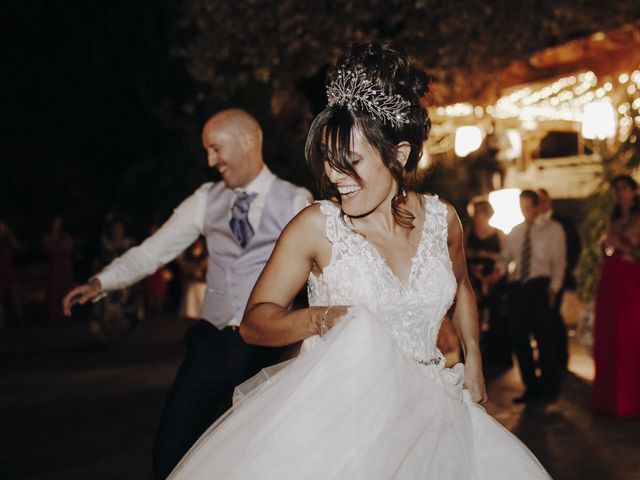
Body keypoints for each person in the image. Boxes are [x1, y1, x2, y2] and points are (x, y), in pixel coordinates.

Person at [168, 43, 550, 479]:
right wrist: (321, 318)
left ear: (400, 155)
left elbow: (462, 287)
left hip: (435, 415)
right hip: (341, 423)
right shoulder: (316, 226)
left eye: (349, 162)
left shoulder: (445, 220)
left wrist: (474, 358)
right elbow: (255, 322)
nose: (333, 177)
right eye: (329, 163)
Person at [62, 108, 312, 479]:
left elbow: (319, 269)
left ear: (246, 142)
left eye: (215, 148)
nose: (211, 161)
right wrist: (102, 282)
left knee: (256, 456)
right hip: (210, 346)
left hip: (267, 350)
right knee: (170, 453)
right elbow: (154, 250)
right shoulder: (204, 199)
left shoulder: (295, 200)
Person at [502, 190, 566, 403]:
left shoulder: (553, 229)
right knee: (518, 336)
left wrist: (554, 289)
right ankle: (531, 385)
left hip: (540, 285)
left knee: (544, 337)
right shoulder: (516, 231)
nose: (525, 212)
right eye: (522, 207)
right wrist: (496, 272)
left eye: (528, 207)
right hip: (519, 286)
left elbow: (559, 261)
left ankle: (549, 386)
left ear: (538, 206)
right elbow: (506, 258)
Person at [593, 174, 640, 418]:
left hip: (632, 280)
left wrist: (622, 247)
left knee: (629, 336)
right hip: (611, 278)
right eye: (616, 189)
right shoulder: (613, 217)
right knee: (609, 334)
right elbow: (607, 248)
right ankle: (609, 399)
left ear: (633, 191)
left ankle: (630, 400)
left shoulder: (638, 217)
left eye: (623, 189)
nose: (619, 194)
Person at [465, 199, 511, 368]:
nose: (475, 217)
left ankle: (496, 355)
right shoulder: (469, 232)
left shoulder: (498, 234)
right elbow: (461, 253)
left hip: (494, 279)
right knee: (474, 315)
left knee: (496, 316)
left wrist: (490, 263)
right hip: (474, 278)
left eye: (478, 213)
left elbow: (505, 257)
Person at [43, 215, 75, 321]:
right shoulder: (48, 236)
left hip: (64, 265)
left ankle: (66, 312)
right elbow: (49, 249)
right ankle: (54, 314)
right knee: (54, 289)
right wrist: (57, 247)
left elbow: (69, 247)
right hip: (54, 266)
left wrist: (58, 247)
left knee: (65, 288)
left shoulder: (65, 236)